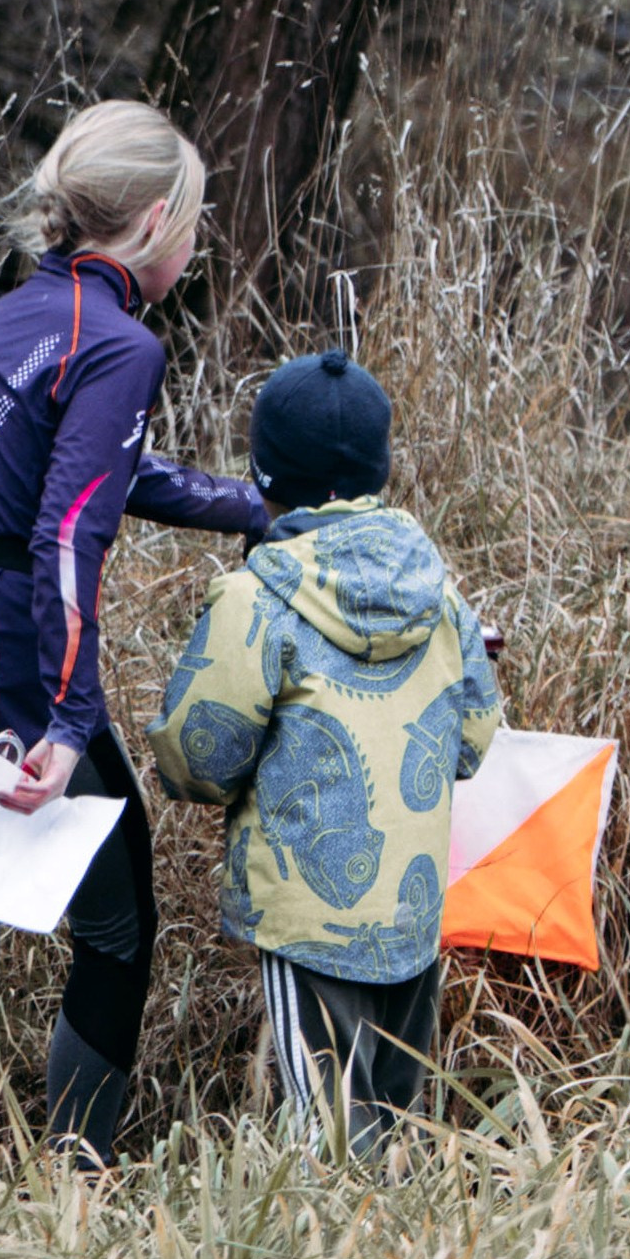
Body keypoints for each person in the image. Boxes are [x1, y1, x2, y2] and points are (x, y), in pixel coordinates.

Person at [0, 100, 266, 1169]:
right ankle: (73, 1185)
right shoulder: (122, 342)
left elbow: (89, 479)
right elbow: (68, 536)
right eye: (196, 224)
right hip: (7, 665)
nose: (197, 244)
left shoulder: (23, 309)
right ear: (159, 218)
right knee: (120, 935)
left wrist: (256, 506)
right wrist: (72, 721)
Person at [150, 350, 500, 1155]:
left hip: (306, 917)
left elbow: (198, 757)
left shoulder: (256, 596)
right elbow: (474, 740)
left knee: (323, 1143)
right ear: (379, 466)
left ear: (263, 471)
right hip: (412, 913)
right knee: (393, 1125)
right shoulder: (440, 593)